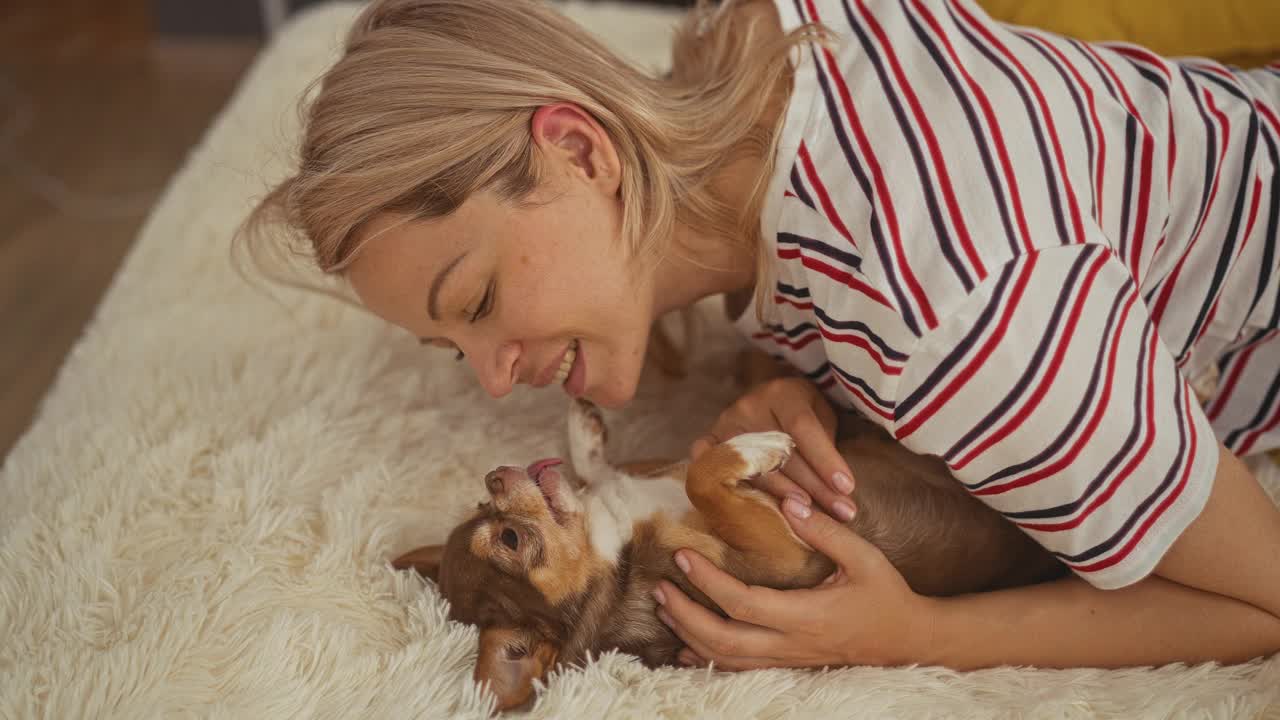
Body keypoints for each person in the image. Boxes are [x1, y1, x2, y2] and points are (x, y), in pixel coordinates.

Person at [238, 0, 1280, 670]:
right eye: (453, 347)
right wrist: (802, 377)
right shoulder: (758, 30)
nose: (498, 382)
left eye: (473, 304)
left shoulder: (961, 327)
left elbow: (1263, 602)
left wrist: (919, 636)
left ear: (575, 149)